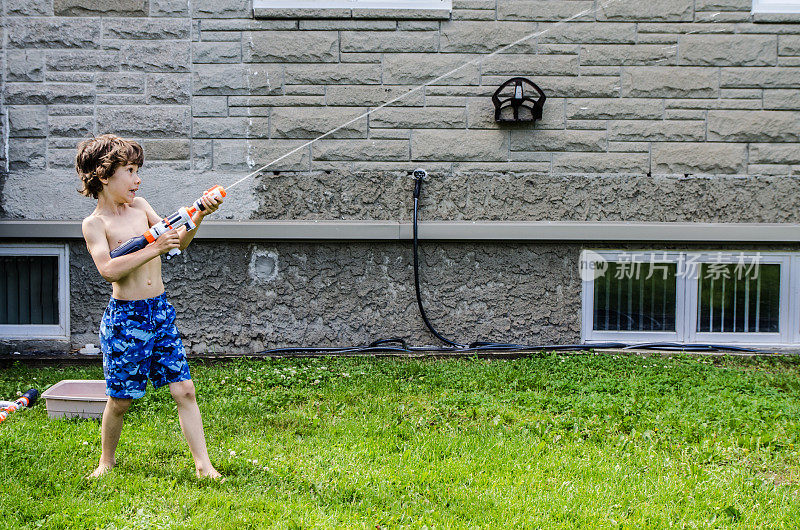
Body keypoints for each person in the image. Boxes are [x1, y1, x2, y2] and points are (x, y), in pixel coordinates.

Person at [77, 134, 222, 479]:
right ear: (103, 175)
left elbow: (176, 243)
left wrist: (199, 213)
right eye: (130, 170)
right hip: (126, 319)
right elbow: (108, 269)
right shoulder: (95, 225)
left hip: (159, 311)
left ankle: (204, 466)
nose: (137, 179)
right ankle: (106, 462)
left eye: (137, 170)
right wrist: (154, 248)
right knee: (122, 399)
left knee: (184, 388)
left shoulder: (141, 208)